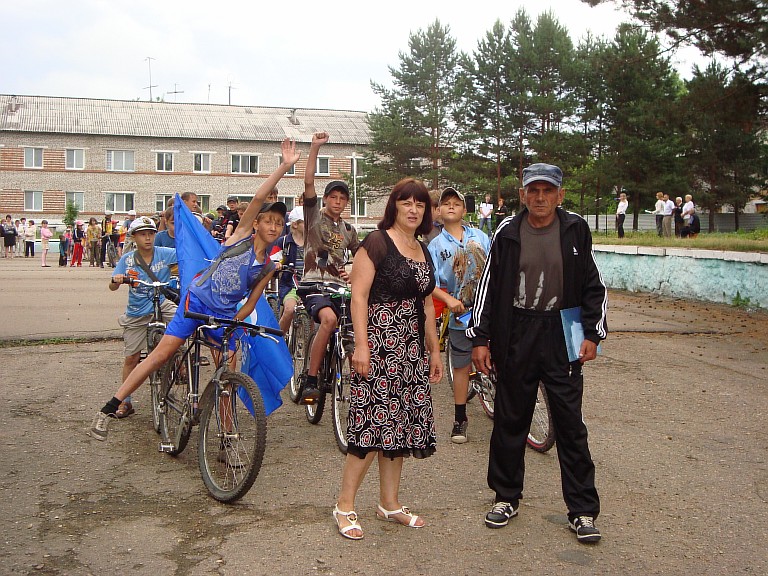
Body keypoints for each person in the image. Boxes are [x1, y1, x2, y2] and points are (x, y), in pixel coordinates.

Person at [88, 138, 300, 440]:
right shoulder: (239, 236)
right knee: (161, 355)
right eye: (268, 220)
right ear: (255, 224)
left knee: (227, 372)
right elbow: (258, 197)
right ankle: (110, 407)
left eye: (279, 223)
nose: (273, 226)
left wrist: (237, 322)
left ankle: (228, 437)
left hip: (223, 316)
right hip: (196, 302)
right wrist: (284, 166)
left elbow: (252, 302)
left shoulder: (269, 265)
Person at [469, 162, 607, 544]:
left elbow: (594, 285)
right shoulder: (508, 231)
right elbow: (489, 286)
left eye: (548, 191)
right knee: (511, 418)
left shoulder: (575, 228)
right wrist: (481, 338)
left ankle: (581, 510)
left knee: (570, 424)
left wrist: (593, 334)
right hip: (518, 329)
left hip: (564, 329)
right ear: (523, 195)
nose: (540, 197)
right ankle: (505, 497)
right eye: (534, 191)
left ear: (560, 195)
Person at [334, 177, 442, 540]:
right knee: (371, 426)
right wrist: (361, 346)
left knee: (402, 427)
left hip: (411, 349)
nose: (413, 210)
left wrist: (434, 349)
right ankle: (344, 505)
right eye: (406, 203)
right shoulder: (377, 242)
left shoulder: (423, 248)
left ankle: (389, 503)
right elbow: (359, 297)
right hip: (380, 345)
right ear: (394, 206)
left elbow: (426, 301)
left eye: (421, 204)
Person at [297, 132, 360, 405]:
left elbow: (363, 258)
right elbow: (308, 181)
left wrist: (354, 272)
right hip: (313, 285)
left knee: (355, 328)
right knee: (329, 320)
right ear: (325, 199)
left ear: (347, 203)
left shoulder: (349, 230)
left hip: (339, 288)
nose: (337, 201)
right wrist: (314, 148)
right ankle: (311, 379)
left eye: (342, 198)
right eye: (333, 196)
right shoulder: (313, 218)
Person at [428, 187, 490, 444]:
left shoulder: (481, 237)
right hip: (460, 313)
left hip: (488, 309)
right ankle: (460, 417)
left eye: (457, 203)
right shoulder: (435, 245)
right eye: (446, 203)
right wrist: (449, 300)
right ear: (439, 211)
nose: (451, 207)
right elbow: (429, 283)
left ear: (465, 210)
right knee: (462, 365)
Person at [107, 216, 180, 419]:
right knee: (132, 357)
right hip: (137, 310)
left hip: (162, 302)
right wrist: (118, 280)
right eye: (143, 234)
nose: (147, 238)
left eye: (151, 234)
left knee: (183, 321)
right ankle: (125, 401)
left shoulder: (165, 254)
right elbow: (112, 286)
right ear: (134, 237)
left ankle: (180, 361)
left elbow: (186, 255)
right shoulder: (128, 259)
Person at [274, 206, 305, 333]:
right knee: (289, 309)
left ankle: (309, 340)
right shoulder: (284, 242)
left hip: (311, 285)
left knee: (315, 313)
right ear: (295, 224)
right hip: (291, 285)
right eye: (306, 222)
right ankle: (279, 339)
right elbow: (273, 258)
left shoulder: (314, 242)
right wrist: (276, 264)